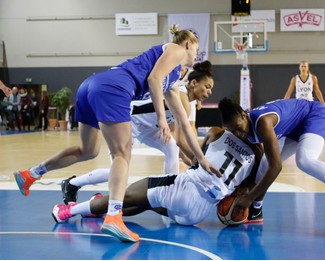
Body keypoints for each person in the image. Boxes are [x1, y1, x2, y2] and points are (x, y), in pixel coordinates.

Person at [13, 25, 221, 243]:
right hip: (116, 89)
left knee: (88, 150)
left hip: (91, 85)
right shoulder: (176, 50)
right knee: (122, 156)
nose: (196, 55)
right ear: (188, 44)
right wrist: (161, 117)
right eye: (195, 49)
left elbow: (184, 125)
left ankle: (31, 174)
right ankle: (113, 218)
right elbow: (153, 80)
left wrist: (201, 158)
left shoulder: (172, 80)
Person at [60, 61, 214, 205]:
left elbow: (188, 135)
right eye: (207, 87)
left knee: (172, 148)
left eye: (211, 89)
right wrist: (199, 162)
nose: (209, 92)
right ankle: (72, 184)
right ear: (193, 83)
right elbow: (182, 140)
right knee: (119, 170)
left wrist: (194, 160)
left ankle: (169, 195)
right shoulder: (178, 95)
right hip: (128, 120)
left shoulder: (191, 104)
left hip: (148, 128)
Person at [52, 127, 260, 229]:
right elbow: (242, 192)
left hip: (184, 190)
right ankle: (97, 210)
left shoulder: (217, 132)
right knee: (147, 203)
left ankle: (67, 211)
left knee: (125, 196)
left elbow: (197, 159)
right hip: (198, 214)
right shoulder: (256, 156)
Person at [218, 97, 325, 225]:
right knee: (265, 162)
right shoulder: (244, 128)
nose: (238, 134)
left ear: (245, 115)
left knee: (305, 160)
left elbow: (276, 167)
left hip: (314, 115)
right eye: (233, 131)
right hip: (294, 127)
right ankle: (256, 210)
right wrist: (246, 188)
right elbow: (261, 158)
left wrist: (250, 196)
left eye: (238, 128)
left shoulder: (263, 122)